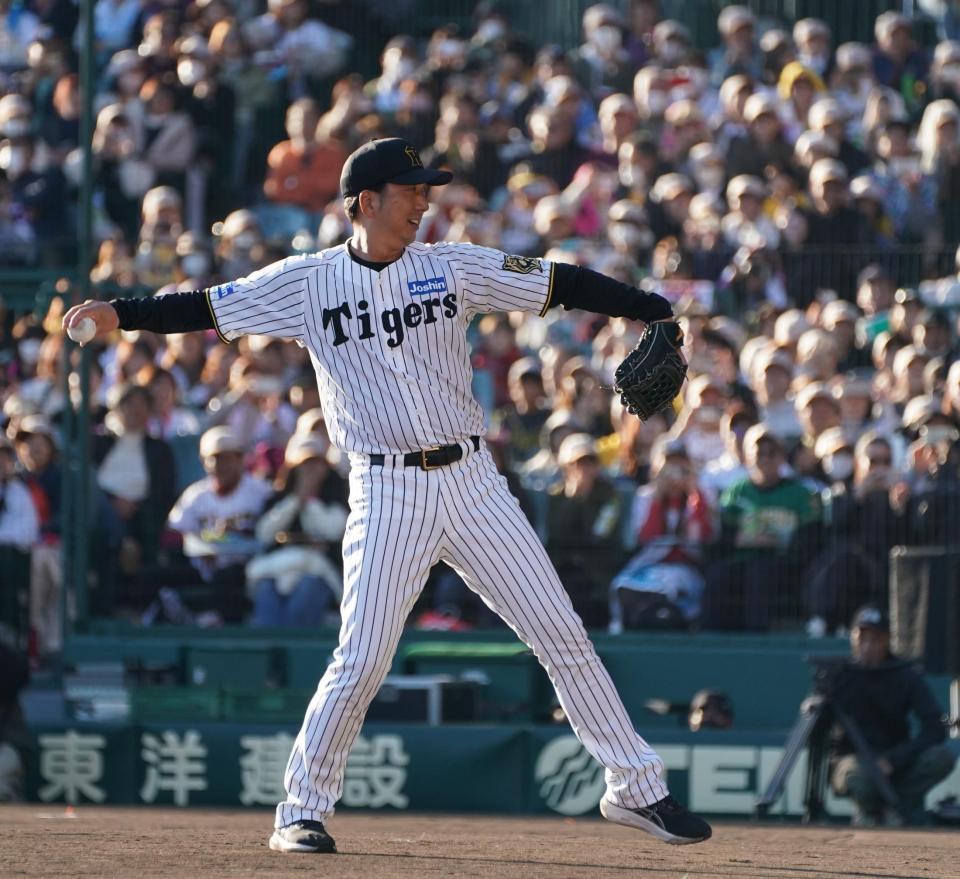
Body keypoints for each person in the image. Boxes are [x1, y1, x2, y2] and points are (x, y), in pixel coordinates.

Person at [63, 136, 711, 852]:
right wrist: (119, 313)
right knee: (364, 656)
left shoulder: (453, 265)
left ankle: (637, 787)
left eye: (426, 190)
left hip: (472, 483)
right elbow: (206, 307)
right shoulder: (307, 282)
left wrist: (649, 305)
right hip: (386, 486)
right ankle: (300, 808)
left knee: (561, 633)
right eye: (411, 192)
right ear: (366, 202)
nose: (424, 202)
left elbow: (561, 282)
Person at [829, 605, 956, 826]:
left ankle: (898, 809)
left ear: (887, 640)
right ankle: (871, 811)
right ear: (852, 637)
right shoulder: (839, 676)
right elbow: (823, 733)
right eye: (862, 636)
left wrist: (893, 759)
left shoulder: (905, 675)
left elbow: (934, 727)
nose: (867, 645)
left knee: (941, 757)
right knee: (857, 776)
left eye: (876, 638)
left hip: (897, 760)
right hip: (855, 760)